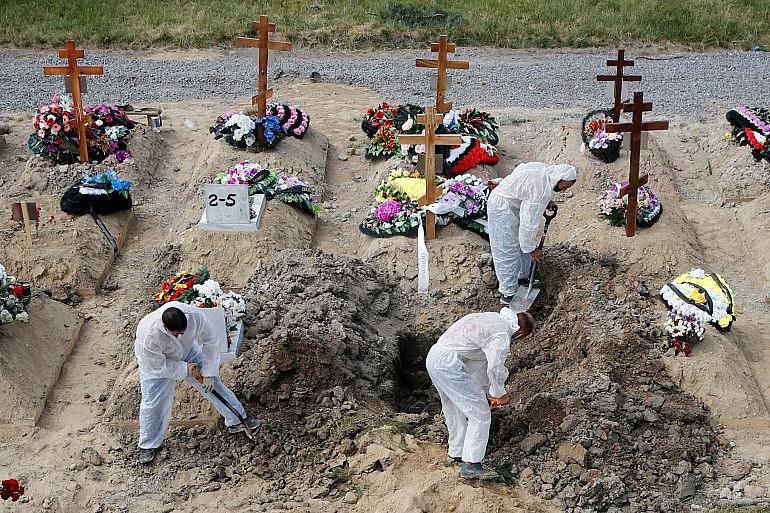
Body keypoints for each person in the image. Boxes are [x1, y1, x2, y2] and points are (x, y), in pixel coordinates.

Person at [134, 301, 261, 464]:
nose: (179, 335)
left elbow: (210, 341)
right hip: (155, 363)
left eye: (182, 332)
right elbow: (160, 367)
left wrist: (208, 372)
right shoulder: (149, 336)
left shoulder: (194, 316)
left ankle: (237, 420)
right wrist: (185, 369)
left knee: (213, 384)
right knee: (153, 401)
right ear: (165, 327)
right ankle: (148, 444)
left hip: (186, 352)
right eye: (175, 334)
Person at [426, 307, 535, 480]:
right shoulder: (501, 335)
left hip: (435, 357)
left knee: (453, 406)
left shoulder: (491, 318)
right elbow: (495, 368)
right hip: (450, 364)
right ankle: (471, 464)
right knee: (480, 413)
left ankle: (457, 450)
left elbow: (480, 365)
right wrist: (499, 394)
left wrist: (483, 392)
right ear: (521, 332)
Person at [487, 162, 577, 304]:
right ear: (558, 179)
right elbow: (529, 225)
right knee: (507, 248)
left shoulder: (544, 172)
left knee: (521, 242)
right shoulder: (540, 190)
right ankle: (508, 292)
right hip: (502, 207)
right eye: (563, 186)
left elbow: (522, 173)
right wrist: (532, 249)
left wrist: (547, 200)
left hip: (512, 202)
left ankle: (523, 276)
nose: (563, 190)